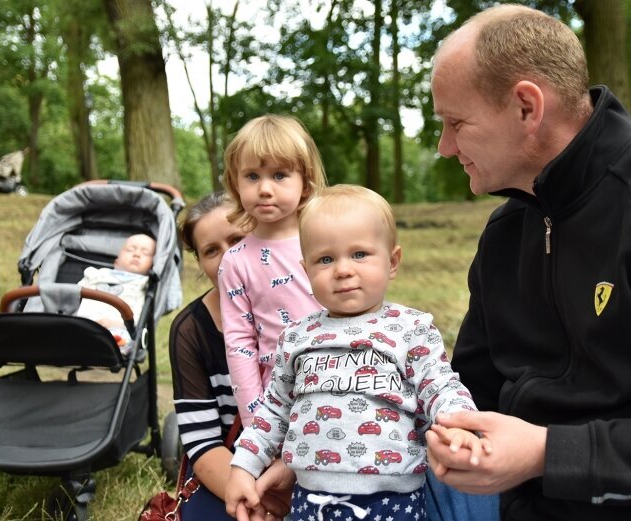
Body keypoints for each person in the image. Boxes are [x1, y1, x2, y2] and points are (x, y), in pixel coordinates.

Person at [424, 4, 631, 521]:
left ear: (526, 108)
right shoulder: (505, 234)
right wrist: (310, 451)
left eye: (456, 123)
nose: (445, 147)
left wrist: (546, 453)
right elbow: (468, 396)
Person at [224, 184, 491, 521]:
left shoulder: (410, 328)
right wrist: (244, 466)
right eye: (325, 259)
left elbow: (440, 386)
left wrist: (461, 426)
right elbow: (274, 409)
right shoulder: (297, 336)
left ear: (392, 262)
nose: (343, 269)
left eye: (360, 254)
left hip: (392, 499)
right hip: (310, 498)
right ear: (306, 271)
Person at [169, 192, 294, 521]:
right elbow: (202, 442)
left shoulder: (307, 301)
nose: (228, 258)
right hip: (234, 470)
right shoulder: (190, 329)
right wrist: (255, 501)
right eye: (211, 251)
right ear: (200, 262)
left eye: (238, 239)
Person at [218, 114, 328, 430]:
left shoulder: (327, 242)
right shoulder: (236, 261)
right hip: (280, 397)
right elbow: (239, 344)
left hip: (341, 377)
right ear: (235, 184)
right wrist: (256, 422)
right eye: (252, 176)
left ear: (305, 184)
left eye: (279, 175)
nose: (265, 189)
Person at [76, 232, 155, 355]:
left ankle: (115, 344)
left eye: (145, 253)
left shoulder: (145, 284)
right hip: (84, 322)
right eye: (130, 250)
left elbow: (141, 314)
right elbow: (73, 295)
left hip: (119, 326)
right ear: (116, 260)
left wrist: (114, 324)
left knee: (122, 337)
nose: (137, 254)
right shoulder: (96, 274)